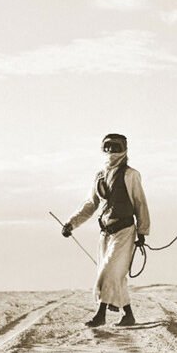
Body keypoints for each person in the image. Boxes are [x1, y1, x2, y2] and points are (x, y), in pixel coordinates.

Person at [62, 133, 150, 327]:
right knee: (115, 275)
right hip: (105, 233)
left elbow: (140, 203)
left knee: (108, 272)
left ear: (124, 149)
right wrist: (71, 223)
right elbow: (90, 204)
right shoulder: (99, 176)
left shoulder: (130, 175)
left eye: (115, 147)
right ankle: (128, 315)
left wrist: (142, 232)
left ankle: (100, 314)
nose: (111, 151)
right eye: (107, 147)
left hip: (125, 231)